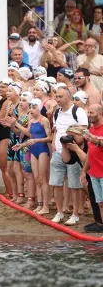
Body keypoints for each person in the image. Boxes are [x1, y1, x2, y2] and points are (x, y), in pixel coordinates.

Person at [48, 85, 87, 224]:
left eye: (60, 96)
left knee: (74, 185)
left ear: (68, 97)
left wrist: (73, 140)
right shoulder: (57, 112)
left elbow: (83, 131)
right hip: (58, 151)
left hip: (73, 152)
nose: (57, 99)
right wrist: (53, 142)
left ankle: (75, 214)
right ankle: (59, 212)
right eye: (56, 96)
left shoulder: (78, 111)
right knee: (56, 183)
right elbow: (56, 129)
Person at [79, 103, 103, 233]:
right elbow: (90, 152)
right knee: (100, 203)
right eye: (88, 113)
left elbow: (96, 144)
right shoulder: (92, 129)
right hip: (94, 172)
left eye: (91, 113)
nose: (88, 115)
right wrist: (84, 171)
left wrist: (98, 142)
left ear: (100, 114)